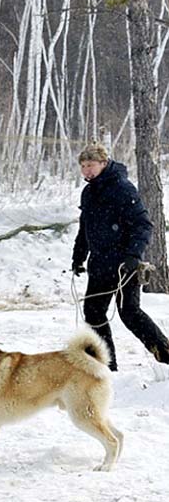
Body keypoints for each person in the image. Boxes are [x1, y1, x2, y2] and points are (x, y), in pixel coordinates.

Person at [71, 143, 169, 371]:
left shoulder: (122, 188)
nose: (87, 170)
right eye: (83, 166)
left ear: (103, 164)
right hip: (100, 264)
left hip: (125, 264)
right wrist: (78, 257)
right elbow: (85, 228)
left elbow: (143, 225)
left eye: (91, 165)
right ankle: (105, 365)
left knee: (129, 313)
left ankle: (165, 354)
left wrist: (133, 255)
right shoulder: (89, 191)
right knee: (93, 312)